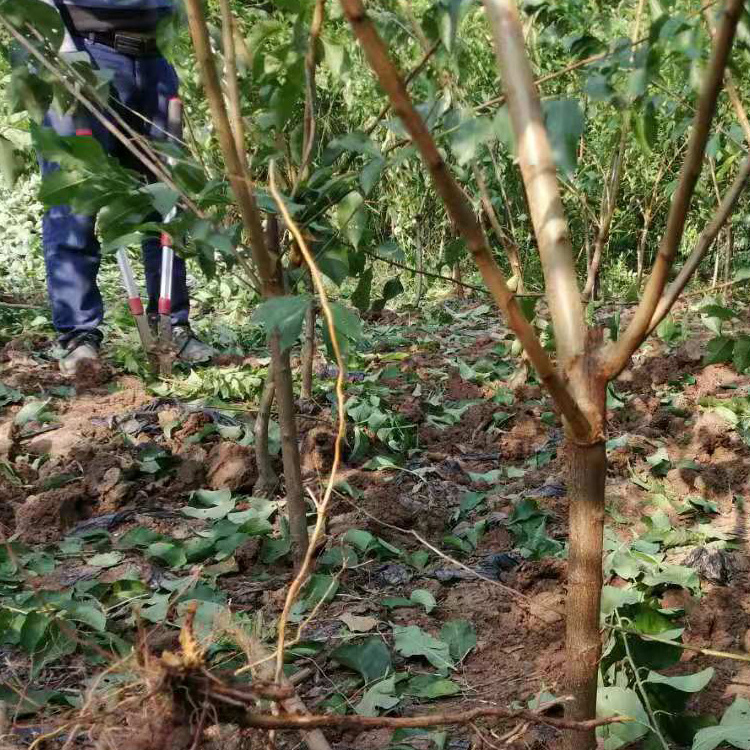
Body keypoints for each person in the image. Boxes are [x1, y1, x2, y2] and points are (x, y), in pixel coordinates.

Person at [40, 0, 213, 375]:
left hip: (154, 61)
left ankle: (172, 324)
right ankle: (78, 334)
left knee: (167, 198)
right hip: (83, 50)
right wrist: (64, 48)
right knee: (76, 197)